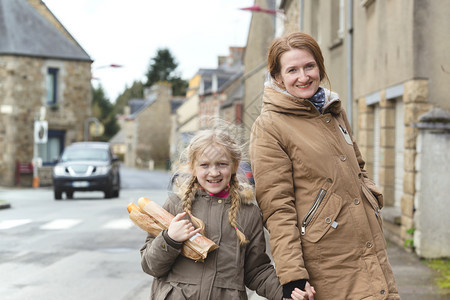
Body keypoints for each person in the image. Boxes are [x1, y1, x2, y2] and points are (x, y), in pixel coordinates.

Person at [249, 31, 401, 300]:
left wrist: (370, 197)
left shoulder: (333, 110)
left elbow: (358, 167)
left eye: (309, 66)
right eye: (292, 70)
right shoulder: (270, 126)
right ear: (278, 77)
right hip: (327, 259)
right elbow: (277, 207)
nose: (304, 76)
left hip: (368, 243)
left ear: (319, 66)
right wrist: (293, 276)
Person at [140, 124, 308, 300]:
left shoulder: (248, 214)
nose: (214, 172)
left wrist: (285, 294)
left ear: (235, 165)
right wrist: (170, 239)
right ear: (192, 167)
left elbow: (256, 271)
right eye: (205, 165)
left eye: (222, 164)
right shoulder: (175, 206)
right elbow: (150, 266)